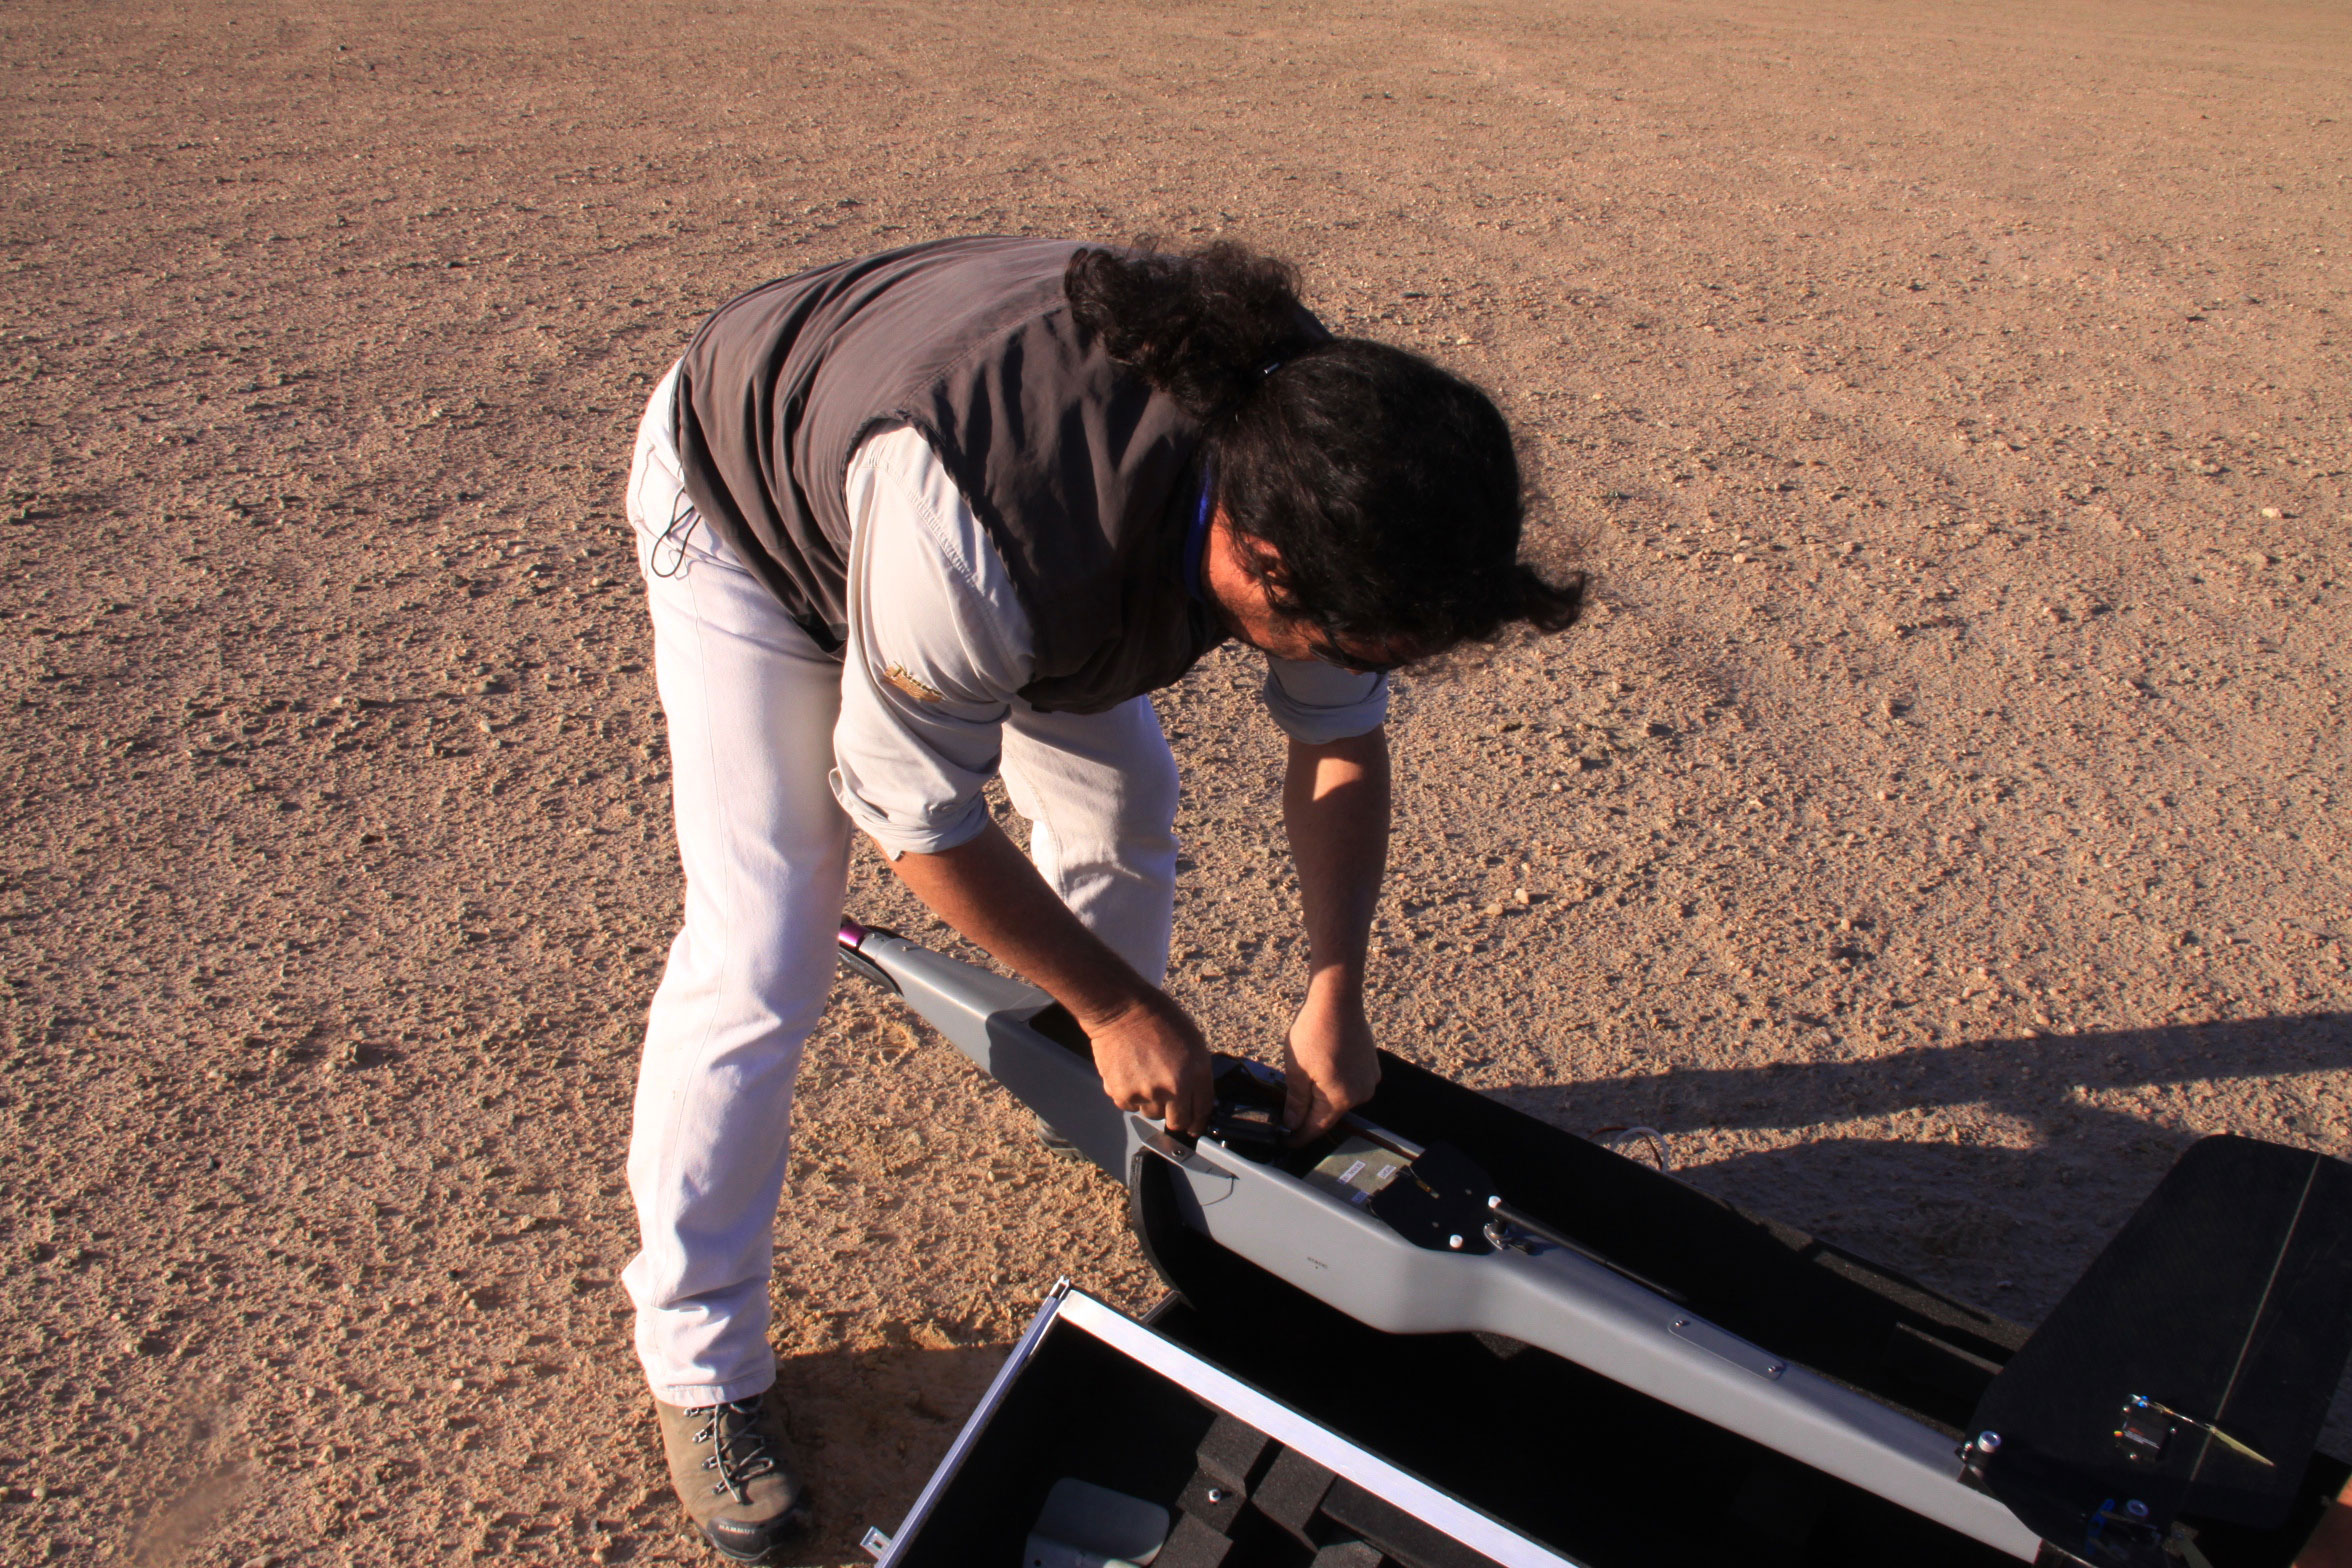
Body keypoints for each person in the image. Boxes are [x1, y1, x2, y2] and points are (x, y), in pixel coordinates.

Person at [616, 235, 1584, 1560]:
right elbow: (918, 823)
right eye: (1339, 639)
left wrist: (1337, 992)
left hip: (1008, 526)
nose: (1348, 664)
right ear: (1255, 558)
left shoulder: (1323, 459)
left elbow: (1339, 740)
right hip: (754, 502)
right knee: (766, 938)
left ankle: (1104, 1100)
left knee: (1121, 806)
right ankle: (699, 1361)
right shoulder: (986, 535)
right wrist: (1119, 1002)